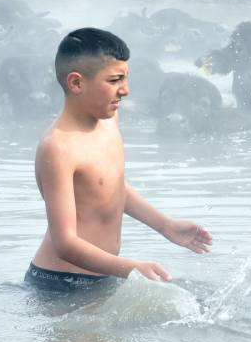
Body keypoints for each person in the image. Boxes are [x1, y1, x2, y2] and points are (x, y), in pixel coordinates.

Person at [26, 28, 212, 292]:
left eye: (126, 78)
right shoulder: (58, 148)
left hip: (105, 274)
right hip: (60, 283)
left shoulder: (109, 120)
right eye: (114, 80)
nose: (125, 90)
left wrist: (165, 225)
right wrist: (130, 268)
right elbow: (65, 243)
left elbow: (109, 187)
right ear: (77, 83)